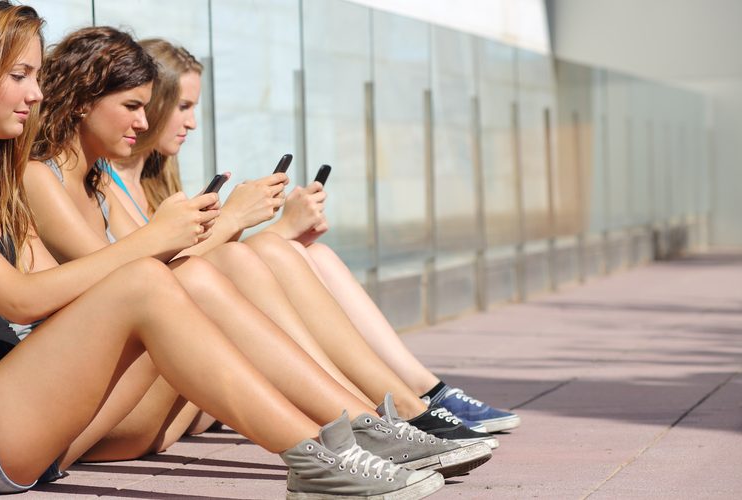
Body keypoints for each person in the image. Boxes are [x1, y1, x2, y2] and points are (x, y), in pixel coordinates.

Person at [0, 2, 443, 497]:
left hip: (19, 416)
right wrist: (150, 244)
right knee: (146, 281)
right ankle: (320, 456)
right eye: (20, 75)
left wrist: (166, 249)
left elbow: (52, 294)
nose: (36, 94)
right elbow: (17, 299)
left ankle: (360, 426)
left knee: (183, 279)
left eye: (37, 75)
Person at [23, 26, 493, 480]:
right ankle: (369, 421)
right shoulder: (40, 177)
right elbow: (125, 281)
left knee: (253, 253)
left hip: (136, 394)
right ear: (84, 100)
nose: (144, 123)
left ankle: (374, 418)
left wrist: (226, 224)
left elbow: (153, 263)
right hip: (96, 414)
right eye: (133, 106)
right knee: (235, 260)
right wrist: (230, 221)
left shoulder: (99, 179)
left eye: (148, 108)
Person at [106, 38, 519, 435]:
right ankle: (373, 409)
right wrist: (248, 223)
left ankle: (418, 393)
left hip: (181, 379)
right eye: (182, 106)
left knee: (312, 254)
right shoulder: (105, 184)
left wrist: (276, 229)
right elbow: (160, 277)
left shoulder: (154, 182)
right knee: (263, 250)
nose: (191, 123)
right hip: (150, 386)